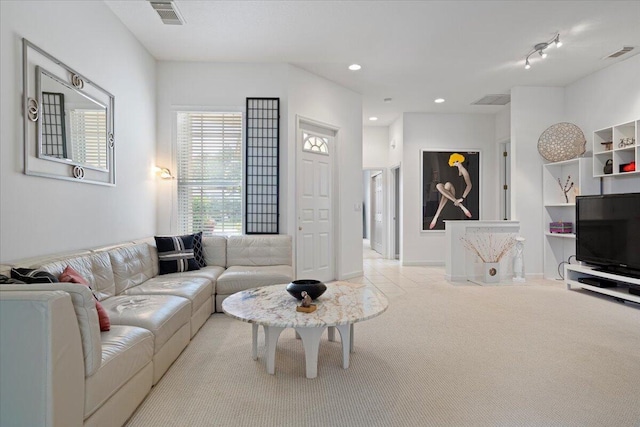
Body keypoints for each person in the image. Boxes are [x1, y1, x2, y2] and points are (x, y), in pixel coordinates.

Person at [429, 153, 472, 229]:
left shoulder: (464, 170)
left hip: (455, 191)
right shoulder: (457, 169)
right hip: (450, 190)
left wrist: (462, 198)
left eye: (455, 162)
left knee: (447, 185)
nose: (454, 164)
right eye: (453, 162)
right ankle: (462, 207)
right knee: (441, 185)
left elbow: (469, 185)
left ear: (458, 160)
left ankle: (436, 216)